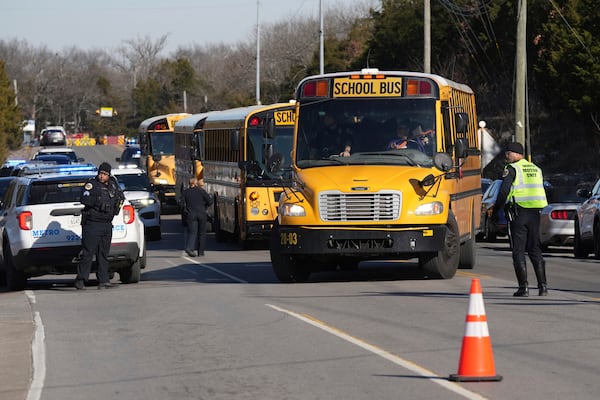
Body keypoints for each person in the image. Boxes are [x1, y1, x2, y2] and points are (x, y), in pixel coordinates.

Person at [493, 142, 548, 296]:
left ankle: (523, 288)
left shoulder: (512, 169)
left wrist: (496, 211)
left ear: (517, 154)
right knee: (534, 248)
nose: (506, 156)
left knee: (518, 249)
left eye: (508, 153)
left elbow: (504, 191)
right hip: (535, 212)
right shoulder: (536, 168)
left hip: (518, 213)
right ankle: (543, 287)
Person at [75, 162, 125, 290]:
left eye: (105, 174)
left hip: (107, 224)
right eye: (101, 173)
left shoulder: (113, 185)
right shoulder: (92, 185)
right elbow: (84, 199)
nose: (102, 176)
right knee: (88, 253)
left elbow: (120, 198)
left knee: (103, 254)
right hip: (92, 224)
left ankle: (103, 280)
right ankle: (81, 280)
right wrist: (98, 200)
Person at [182, 178, 213, 257]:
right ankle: (201, 252)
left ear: (189, 184)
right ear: (196, 184)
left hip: (191, 214)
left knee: (192, 232)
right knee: (202, 233)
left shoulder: (186, 192)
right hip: (201, 213)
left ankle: (190, 248)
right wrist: (204, 206)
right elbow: (210, 201)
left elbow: (181, 203)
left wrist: (186, 210)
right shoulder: (201, 191)